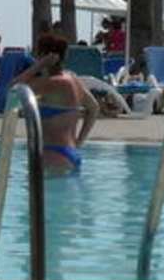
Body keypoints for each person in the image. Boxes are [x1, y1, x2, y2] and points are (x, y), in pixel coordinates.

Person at [12, 33, 100, 174]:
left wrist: (38, 66)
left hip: (52, 155)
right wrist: (79, 141)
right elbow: (94, 108)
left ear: (43, 56)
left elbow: (12, 90)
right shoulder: (73, 79)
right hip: (70, 153)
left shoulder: (53, 83)